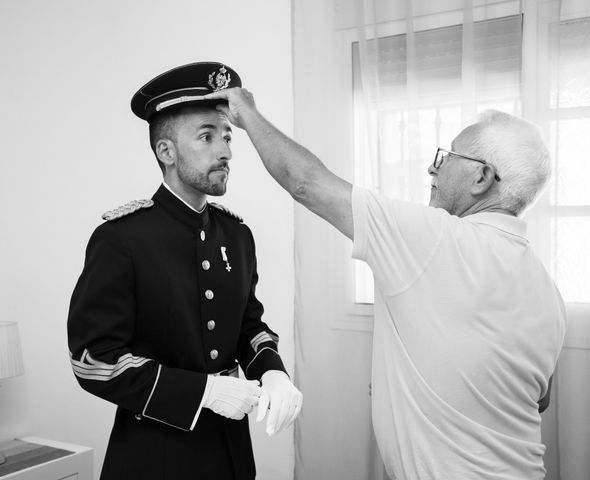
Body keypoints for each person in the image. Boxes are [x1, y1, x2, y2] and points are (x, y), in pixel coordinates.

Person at [210, 87, 567, 480]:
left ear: (481, 177)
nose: (433, 169)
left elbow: (305, 183)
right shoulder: (547, 288)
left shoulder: (436, 238)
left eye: (446, 157)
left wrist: (245, 111)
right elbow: (538, 397)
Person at [67, 62, 302, 480]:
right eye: (207, 136)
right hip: (154, 453)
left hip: (230, 450)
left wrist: (272, 370)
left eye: (227, 136)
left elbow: (250, 325)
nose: (226, 150)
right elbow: (94, 361)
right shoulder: (122, 238)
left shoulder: (236, 235)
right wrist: (205, 391)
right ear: (167, 152)